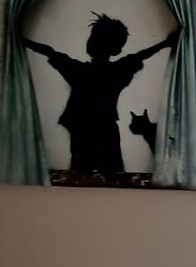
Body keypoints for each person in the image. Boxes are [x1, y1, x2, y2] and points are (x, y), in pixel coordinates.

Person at [22, 13, 178, 173]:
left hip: (88, 132)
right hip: (102, 131)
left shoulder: (80, 71)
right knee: (105, 173)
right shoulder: (113, 71)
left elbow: (50, 52)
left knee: (87, 172)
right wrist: (165, 44)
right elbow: (138, 57)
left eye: (96, 38)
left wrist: (23, 41)